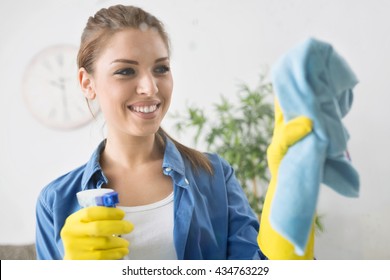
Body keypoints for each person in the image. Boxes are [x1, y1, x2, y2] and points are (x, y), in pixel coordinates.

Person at [35, 4, 268, 260]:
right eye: (126, 71)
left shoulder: (214, 177)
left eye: (161, 68)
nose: (150, 87)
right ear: (87, 83)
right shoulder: (55, 202)